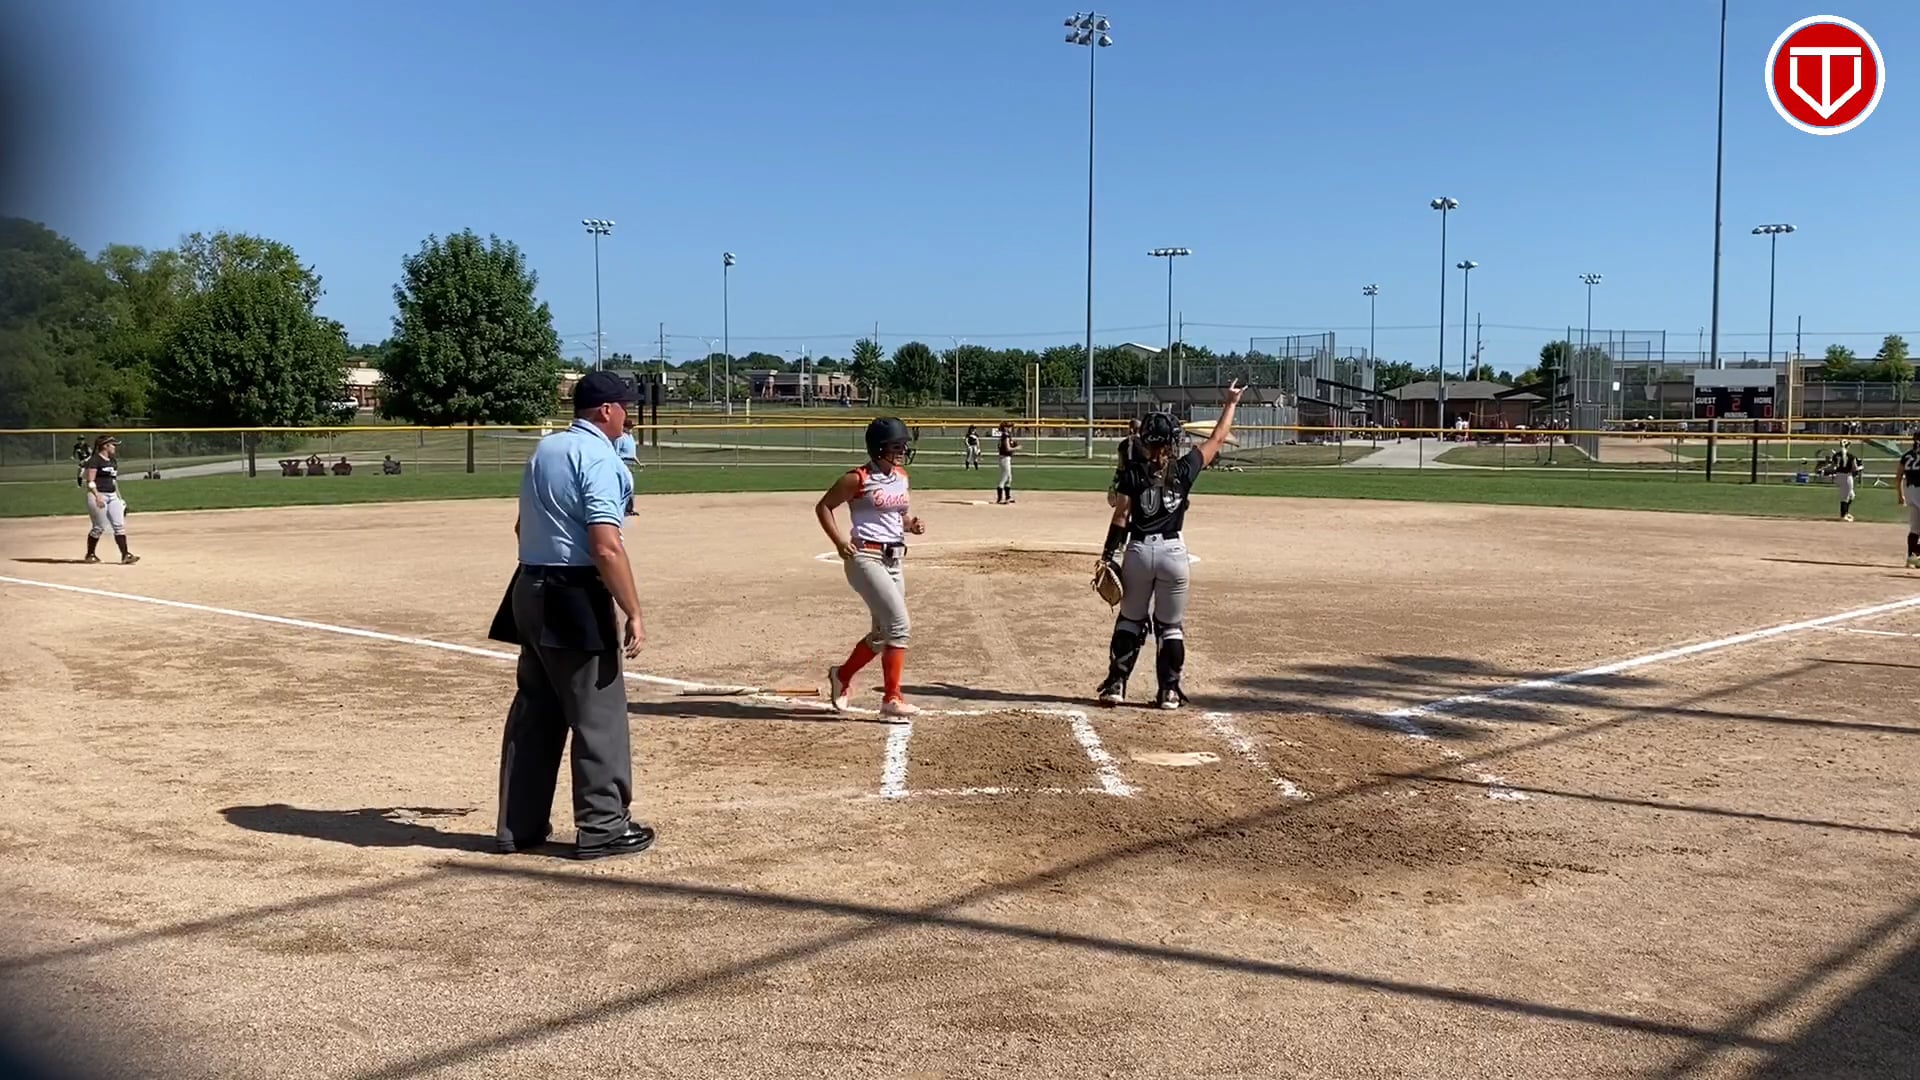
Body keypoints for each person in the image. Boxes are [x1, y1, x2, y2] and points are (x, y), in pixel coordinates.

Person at [487, 371, 654, 861]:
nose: (627, 416)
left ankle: (517, 827)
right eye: (624, 407)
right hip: (573, 594)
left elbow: (521, 527)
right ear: (606, 410)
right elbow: (606, 546)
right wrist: (633, 610)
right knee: (598, 715)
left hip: (528, 587)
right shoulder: (599, 458)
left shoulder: (546, 449)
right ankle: (603, 827)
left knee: (536, 712)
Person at [1094, 383, 1244, 709]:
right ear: (1173, 440)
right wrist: (1231, 403)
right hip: (1174, 553)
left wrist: (1108, 553)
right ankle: (1169, 692)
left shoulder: (1132, 472)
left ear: (1144, 439)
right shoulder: (1185, 467)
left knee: (1130, 621)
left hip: (1138, 552)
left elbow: (1121, 516)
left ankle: (1116, 685)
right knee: (1170, 626)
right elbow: (1218, 438)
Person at [818, 417, 925, 719]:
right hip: (865, 557)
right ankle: (892, 698)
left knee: (881, 634)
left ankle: (841, 675)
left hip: (894, 559)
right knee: (899, 625)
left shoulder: (901, 476)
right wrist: (839, 541)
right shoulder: (858, 478)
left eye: (903, 445)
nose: (902, 450)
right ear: (878, 448)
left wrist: (911, 525)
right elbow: (824, 506)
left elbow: (898, 516)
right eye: (896, 446)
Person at [79, 435, 138, 565]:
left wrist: (120, 499)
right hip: (98, 495)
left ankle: (125, 555)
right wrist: (97, 496)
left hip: (112, 495)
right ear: (105, 446)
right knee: (99, 527)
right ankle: (90, 554)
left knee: (119, 526)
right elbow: (90, 481)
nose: (114, 447)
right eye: (113, 445)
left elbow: (114, 482)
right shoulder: (95, 460)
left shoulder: (112, 461)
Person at [1820, 440, 1866, 522]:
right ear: (1848, 446)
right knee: (1845, 497)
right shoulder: (1851, 456)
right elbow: (1855, 468)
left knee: (1851, 495)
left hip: (1839, 476)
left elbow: (1832, 467)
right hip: (1847, 476)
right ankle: (1843, 515)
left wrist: (1824, 469)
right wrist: (1861, 467)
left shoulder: (1836, 455)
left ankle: (1846, 513)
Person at [1898, 432, 1920, 569]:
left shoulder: (1907, 456)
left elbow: (1898, 476)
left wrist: (1900, 495)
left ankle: (1912, 557)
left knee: (1915, 528)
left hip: (1910, 491)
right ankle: (1915, 554)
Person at [995, 421, 1021, 504]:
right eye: (1009, 427)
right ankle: (1000, 499)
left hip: (1005, 458)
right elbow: (1008, 448)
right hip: (1004, 458)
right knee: (1004, 478)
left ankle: (1008, 497)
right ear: (1005, 428)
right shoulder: (1006, 436)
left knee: (1009, 478)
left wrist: (1013, 445)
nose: (1011, 428)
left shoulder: (1005, 436)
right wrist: (1017, 448)